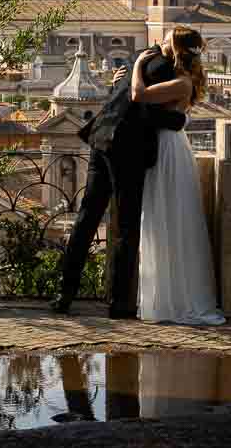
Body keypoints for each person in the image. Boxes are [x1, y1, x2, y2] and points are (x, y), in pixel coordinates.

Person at [51, 45, 186, 318]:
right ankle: (119, 302)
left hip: (101, 140)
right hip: (127, 150)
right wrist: (178, 118)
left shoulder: (139, 57)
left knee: (86, 218)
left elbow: (122, 99)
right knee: (127, 226)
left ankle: (64, 294)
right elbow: (144, 110)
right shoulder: (169, 72)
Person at [132, 27, 225, 326]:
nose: (161, 44)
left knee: (164, 218)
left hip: (167, 149)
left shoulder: (181, 83)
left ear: (178, 49)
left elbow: (139, 94)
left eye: (167, 40)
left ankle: (169, 302)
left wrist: (136, 65)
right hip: (171, 144)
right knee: (168, 218)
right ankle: (166, 297)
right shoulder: (184, 79)